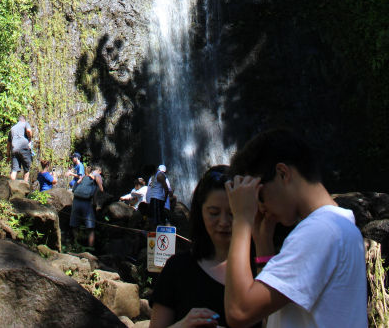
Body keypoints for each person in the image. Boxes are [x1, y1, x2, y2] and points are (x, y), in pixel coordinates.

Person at [224, 128, 367, 328]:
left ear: (282, 173)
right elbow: (267, 315)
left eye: (258, 196)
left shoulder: (320, 231)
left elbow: (239, 312)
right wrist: (263, 242)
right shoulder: (339, 226)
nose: (260, 208)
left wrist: (241, 220)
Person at [150, 165, 259, 328]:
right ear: (200, 213)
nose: (223, 222)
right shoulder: (178, 268)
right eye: (214, 212)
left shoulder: (264, 266)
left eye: (232, 213)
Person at [69, 165, 104, 250]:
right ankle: (90, 248)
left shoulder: (84, 176)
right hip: (86, 203)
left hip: (76, 201)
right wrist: (95, 205)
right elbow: (99, 191)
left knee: (74, 225)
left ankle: (75, 245)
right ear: (99, 172)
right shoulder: (97, 177)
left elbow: (74, 188)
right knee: (91, 227)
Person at [8, 114, 33, 182]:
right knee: (26, 169)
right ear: (24, 120)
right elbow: (28, 131)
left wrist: (8, 155)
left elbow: (8, 144)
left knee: (14, 170)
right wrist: (29, 139)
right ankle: (25, 188)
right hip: (24, 148)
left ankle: (12, 187)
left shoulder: (12, 128)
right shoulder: (25, 124)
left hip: (14, 149)